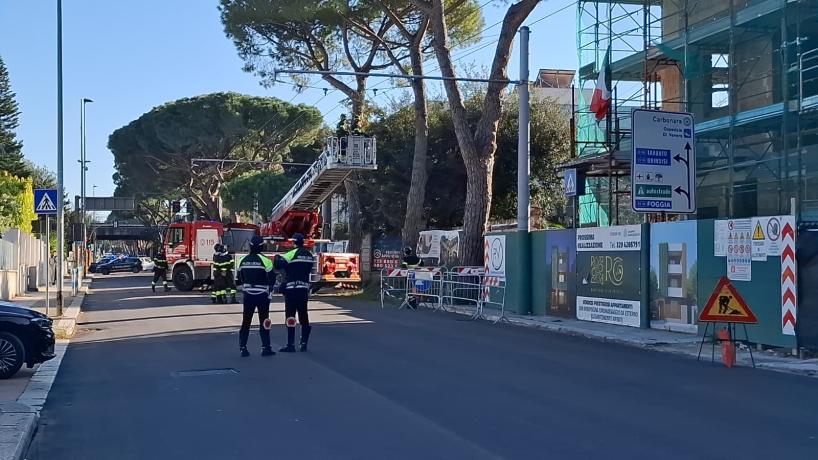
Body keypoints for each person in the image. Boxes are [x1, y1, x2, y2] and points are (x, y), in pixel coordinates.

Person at [273, 233, 314, 352]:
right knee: (303, 316)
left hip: (291, 289)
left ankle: (290, 344)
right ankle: (304, 343)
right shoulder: (309, 255)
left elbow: (279, 265)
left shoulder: (291, 254)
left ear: (294, 242)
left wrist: (277, 258)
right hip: (303, 289)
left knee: (290, 316)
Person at [236, 235, 275, 357]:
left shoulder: (242, 260)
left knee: (246, 321)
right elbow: (272, 279)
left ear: (250, 246)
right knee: (264, 321)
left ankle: (243, 348)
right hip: (262, 295)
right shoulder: (266, 261)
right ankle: (266, 348)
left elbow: (238, 279)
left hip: (248, 295)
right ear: (262, 246)